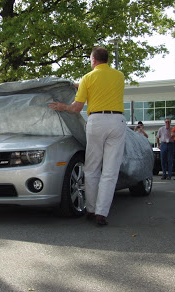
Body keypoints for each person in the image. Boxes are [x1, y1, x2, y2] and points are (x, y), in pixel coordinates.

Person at [48, 46, 126, 226]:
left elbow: (76, 108)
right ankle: (101, 213)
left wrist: (62, 106)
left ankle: (90, 209)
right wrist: (81, 85)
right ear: (106, 59)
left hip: (97, 121)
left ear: (93, 60)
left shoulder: (88, 78)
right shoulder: (119, 76)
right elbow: (103, 86)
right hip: (117, 121)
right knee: (110, 171)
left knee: (92, 168)